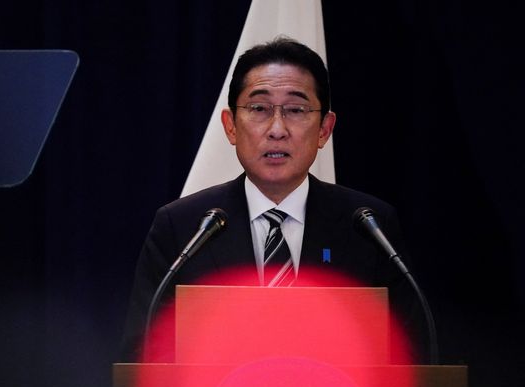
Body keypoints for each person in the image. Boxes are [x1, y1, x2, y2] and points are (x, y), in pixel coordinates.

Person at [119, 36, 425, 363]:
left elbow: (411, 355)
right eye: (259, 109)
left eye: (296, 110)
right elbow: (144, 355)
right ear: (231, 126)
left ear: (324, 129)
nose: (277, 129)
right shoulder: (182, 226)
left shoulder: (369, 226)